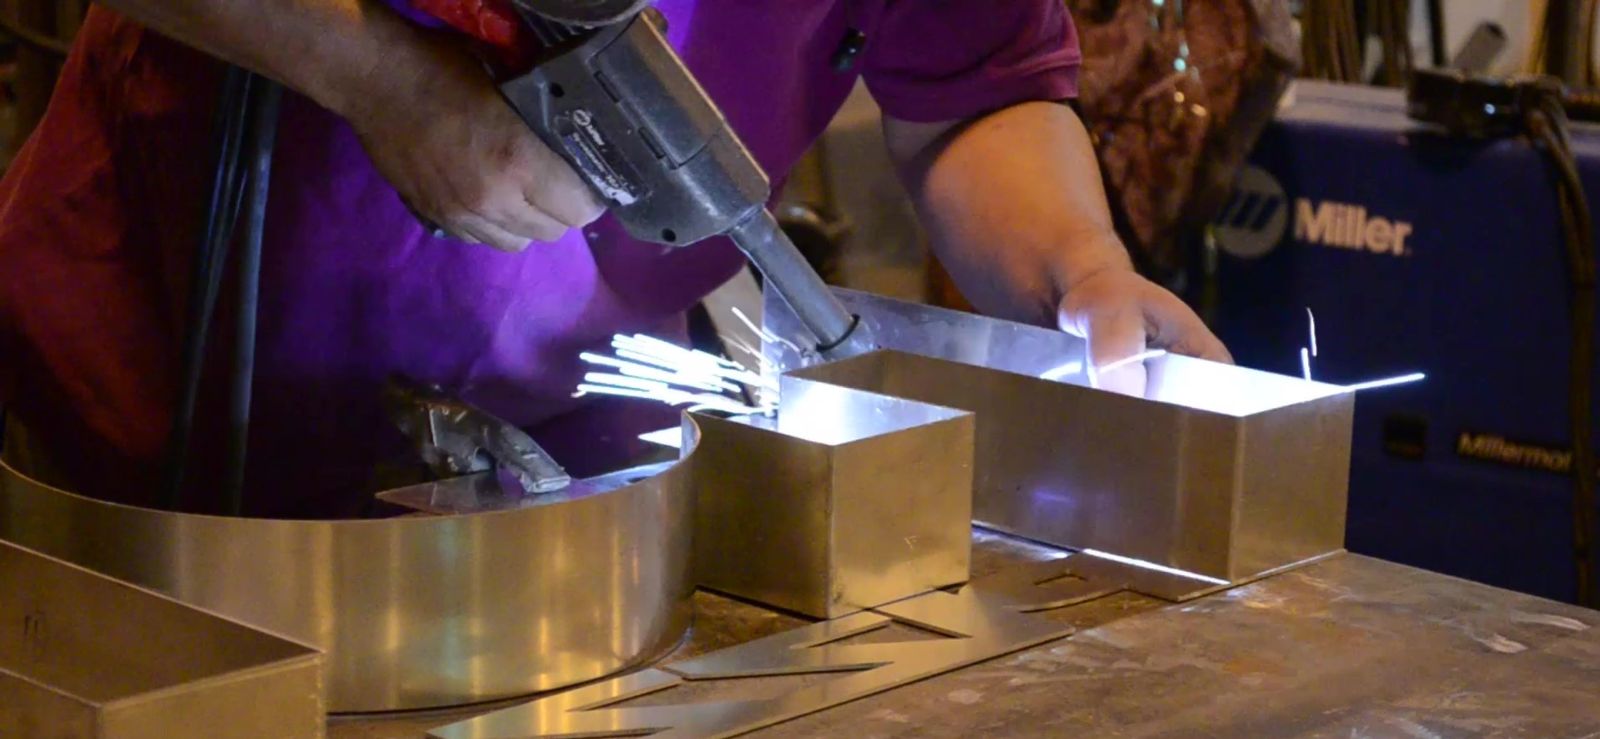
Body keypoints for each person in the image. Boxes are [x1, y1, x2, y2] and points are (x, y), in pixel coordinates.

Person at [0, 0, 1231, 518]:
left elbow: (969, 90)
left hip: (567, 447)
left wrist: (1079, 258)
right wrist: (381, 77)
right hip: (157, 412)